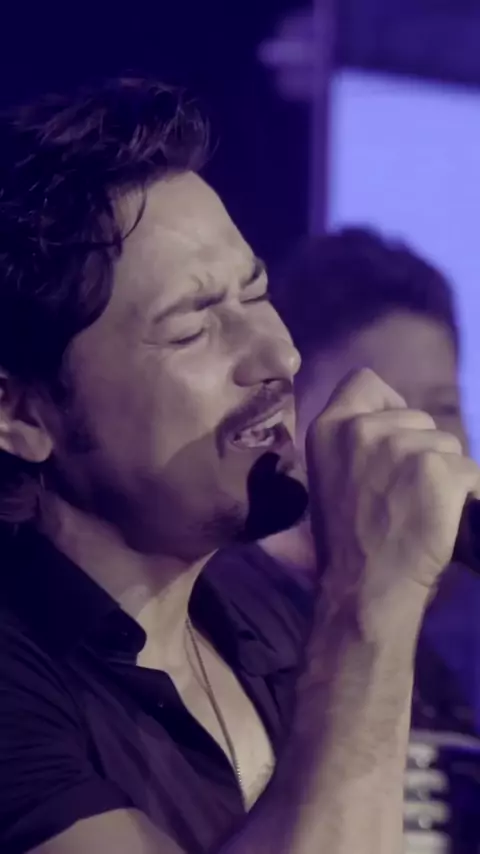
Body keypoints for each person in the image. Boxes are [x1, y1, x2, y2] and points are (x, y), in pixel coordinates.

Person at [0, 80, 477, 854]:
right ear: (21, 413)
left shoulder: (266, 616)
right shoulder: (20, 685)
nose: (278, 355)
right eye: (193, 330)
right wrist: (368, 605)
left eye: (255, 294)